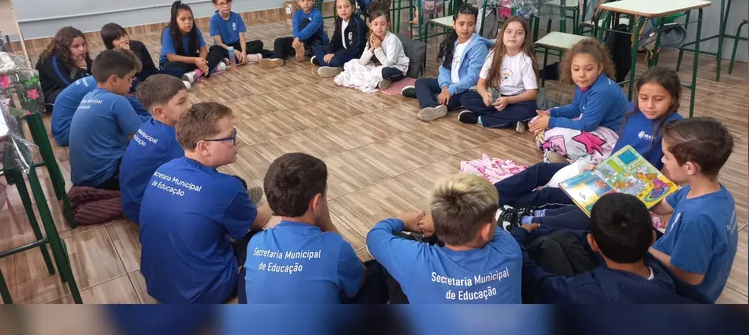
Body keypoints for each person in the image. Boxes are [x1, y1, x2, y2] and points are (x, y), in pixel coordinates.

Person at [497, 68, 684, 231]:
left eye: (658, 99)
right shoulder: (632, 110)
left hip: (630, 190)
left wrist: (666, 207)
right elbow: (620, 148)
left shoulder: (674, 127)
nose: (649, 105)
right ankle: (487, 197)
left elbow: (671, 173)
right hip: (606, 171)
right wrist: (600, 164)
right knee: (540, 170)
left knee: (553, 195)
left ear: (673, 98)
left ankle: (507, 212)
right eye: (644, 98)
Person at [139, 102, 278, 304]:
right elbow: (258, 221)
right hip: (202, 293)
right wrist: (278, 199)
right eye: (231, 136)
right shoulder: (224, 188)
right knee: (274, 232)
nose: (237, 142)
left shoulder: (165, 168)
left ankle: (235, 210)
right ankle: (239, 212)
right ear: (203, 147)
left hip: (158, 284)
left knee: (234, 188)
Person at [242, 152, 388, 304]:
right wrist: (327, 223)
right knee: (376, 270)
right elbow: (360, 280)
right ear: (317, 202)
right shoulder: (334, 247)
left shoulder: (256, 243)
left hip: (260, 325)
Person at [511, 193, 710, 303]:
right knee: (558, 239)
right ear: (652, 238)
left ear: (593, 243)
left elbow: (537, 281)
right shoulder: (659, 270)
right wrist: (539, 230)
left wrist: (518, 237)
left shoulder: (582, 291)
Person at [367, 173, 522, 304]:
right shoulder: (509, 250)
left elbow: (375, 236)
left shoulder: (416, 261)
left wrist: (403, 221)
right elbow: (491, 232)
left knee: (396, 255)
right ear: (486, 230)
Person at [649, 117, 738, 303]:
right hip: (673, 256)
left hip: (684, 292)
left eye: (666, 156)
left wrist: (644, 249)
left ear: (689, 167)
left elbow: (691, 276)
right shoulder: (710, 191)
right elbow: (661, 205)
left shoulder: (698, 219)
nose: (662, 160)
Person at [528, 39, 629, 163]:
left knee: (562, 136)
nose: (581, 74)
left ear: (599, 69)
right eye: (576, 69)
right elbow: (576, 108)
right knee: (538, 121)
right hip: (594, 124)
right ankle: (559, 151)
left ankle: (570, 157)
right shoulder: (585, 83)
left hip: (612, 135)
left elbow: (587, 125)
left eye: (588, 69)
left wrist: (551, 122)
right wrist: (552, 113)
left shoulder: (602, 90)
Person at [400, 4, 491, 122]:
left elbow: (472, 78)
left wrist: (450, 90)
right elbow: (444, 68)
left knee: (451, 100)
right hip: (449, 85)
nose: (465, 28)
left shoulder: (479, 46)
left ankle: (424, 96)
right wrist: (444, 87)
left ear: (475, 24)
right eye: (461, 24)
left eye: (470, 24)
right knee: (421, 82)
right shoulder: (451, 42)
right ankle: (431, 105)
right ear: (454, 24)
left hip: (465, 89)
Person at [119, 75, 190, 224]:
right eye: (181, 102)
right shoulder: (170, 139)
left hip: (133, 203)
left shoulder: (151, 125)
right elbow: (190, 178)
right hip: (148, 213)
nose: (189, 106)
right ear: (159, 112)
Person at [68, 49, 143, 190]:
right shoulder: (117, 101)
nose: (131, 84)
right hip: (106, 178)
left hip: (81, 179)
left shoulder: (88, 96)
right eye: (130, 78)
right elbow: (142, 140)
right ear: (114, 79)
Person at [458, 16, 538, 132]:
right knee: (465, 98)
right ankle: (511, 121)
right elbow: (481, 83)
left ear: (525, 38)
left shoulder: (525, 60)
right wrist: (485, 94)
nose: (513, 36)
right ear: (502, 34)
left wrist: (509, 100)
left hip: (517, 100)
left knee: (529, 110)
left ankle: (480, 119)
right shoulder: (493, 55)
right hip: (497, 97)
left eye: (519, 33)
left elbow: (532, 93)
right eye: (509, 31)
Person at [333, 10, 409, 92]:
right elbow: (362, 62)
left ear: (388, 25)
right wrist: (372, 48)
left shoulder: (392, 39)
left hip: (396, 68)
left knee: (384, 71)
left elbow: (389, 64)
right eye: (375, 24)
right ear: (370, 26)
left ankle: (377, 81)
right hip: (378, 66)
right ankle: (380, 82)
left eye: (382, 24)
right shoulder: (372, 37)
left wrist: (378, 48)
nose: (379, 27)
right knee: (353, 62)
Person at [159, 0, 225, 86]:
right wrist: (195, 60)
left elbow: (203, 50)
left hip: (191, 60)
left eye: (190, 19)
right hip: (172, 62)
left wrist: (202, 61)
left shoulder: (195, 29)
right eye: (183, 19)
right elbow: (171, 57)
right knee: (174, 69)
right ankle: (209, 69)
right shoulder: (168, 32)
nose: (187, 22)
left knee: (217, 52)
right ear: (175, 20)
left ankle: (195, 73)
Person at [208, 0, 275, 67]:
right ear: (215, 5)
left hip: (236, 45)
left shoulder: (236, 17)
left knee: (258, 43)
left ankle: (236, 59)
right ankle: (252, 57)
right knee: (214, 50)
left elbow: (242, 39)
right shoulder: (214, 20)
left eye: (228, 2)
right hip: (224, 47)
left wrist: (243, 51)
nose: (226, 6)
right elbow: (219, 43)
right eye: (222, 3)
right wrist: (233, 51)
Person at [264, 0, 328, 66]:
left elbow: (311, 28)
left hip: (315, 41)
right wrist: (296, 41)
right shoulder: (297, 14)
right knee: (279, 41)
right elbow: (296, 29)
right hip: (300, 40)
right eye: (303, 0)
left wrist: (299, 38)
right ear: (298, 2)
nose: (306, 3)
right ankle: (278, 59)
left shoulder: (317, 14)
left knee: (305, 22)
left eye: (308, 0)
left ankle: (306, 52)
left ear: (313, 1)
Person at [35, 26, 92, 111]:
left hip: (71, 86)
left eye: (83, 44)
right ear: (65, 47)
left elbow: (96, 71)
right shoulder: (52, 60)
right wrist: (83, 69)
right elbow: (71, 87)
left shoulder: (80, 54)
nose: (82, 49)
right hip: (52, 95)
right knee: (81, 96)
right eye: (76, 46)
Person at [314, 0, 367, 78]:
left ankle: (332, 66)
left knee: (336, 59)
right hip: (342, 50)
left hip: (354, 54)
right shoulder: (339, 20)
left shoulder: (357, 24)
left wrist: (335, 55)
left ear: (352, 8)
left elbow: (357, 48)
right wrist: (329, 51)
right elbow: (335, 39)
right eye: (339, 7)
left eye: (346, 6)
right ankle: (332, 66)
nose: (343, 10)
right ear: (336, 9)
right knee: (318, 49)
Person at [101, 22, 159, 91]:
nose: (124, 40)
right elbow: (127, 75)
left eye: (124, 35)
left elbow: (149, 68)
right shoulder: (109, 57)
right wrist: (127, 53)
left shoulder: (138, 45)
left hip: (149, 76)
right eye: (117, 39)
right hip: (131, 83)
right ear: (110, 43)